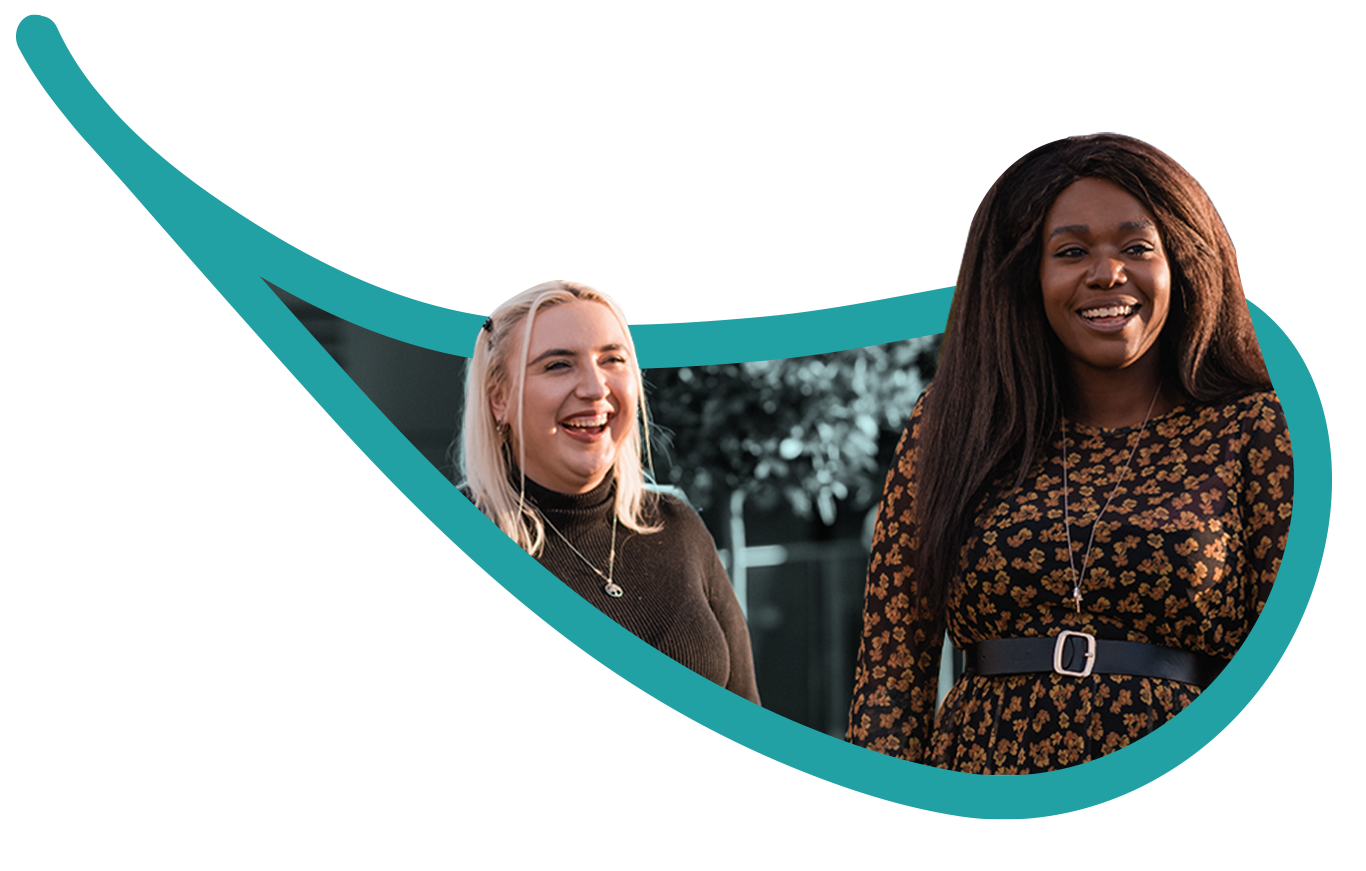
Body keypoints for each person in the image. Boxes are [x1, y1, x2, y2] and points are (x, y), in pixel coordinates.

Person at [847, 134, 1292, 774]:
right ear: (1026, 274)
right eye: (1072, 251)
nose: (1106, 272)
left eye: (1137, 247)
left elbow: (1291, 672)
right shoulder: (953, 423)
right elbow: (891, 671)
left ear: (1184, 263)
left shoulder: (1256, 430)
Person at [459, 279, 760, 704]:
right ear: (499, 400)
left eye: (612, 359)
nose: (596, 388)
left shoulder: (676, 526)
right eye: (558, 365)